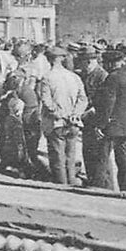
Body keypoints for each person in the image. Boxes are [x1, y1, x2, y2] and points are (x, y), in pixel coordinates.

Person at [38, 46, 88, 185]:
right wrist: (75, 114)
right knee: (70, 158)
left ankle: (61, 187)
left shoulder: (47, 78)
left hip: (57, 123)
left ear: (49, 60)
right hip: (73, 123)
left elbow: (46, 102)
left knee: (57, 159)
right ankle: (71, 184)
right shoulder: (74, 77)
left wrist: (60, 114)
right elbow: (83, 98)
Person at [92, 49, 126, 191]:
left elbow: (108, 104)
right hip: (125, 124)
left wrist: (101, 125)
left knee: (102, 157)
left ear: (110, 63)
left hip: (111, 125)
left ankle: (100, 187)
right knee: (123, 158)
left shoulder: (112, 78)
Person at [75, 46, 108, 186]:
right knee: (87, 152)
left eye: (81, 62)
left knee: (100, 156)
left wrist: (91, 111)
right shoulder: (83, 74)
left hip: (98, 120)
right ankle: (92, 181)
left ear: (88, 61)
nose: (79, 65)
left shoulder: (102, 76)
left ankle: (102, 186)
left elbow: (106, 101)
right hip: (86, 121)